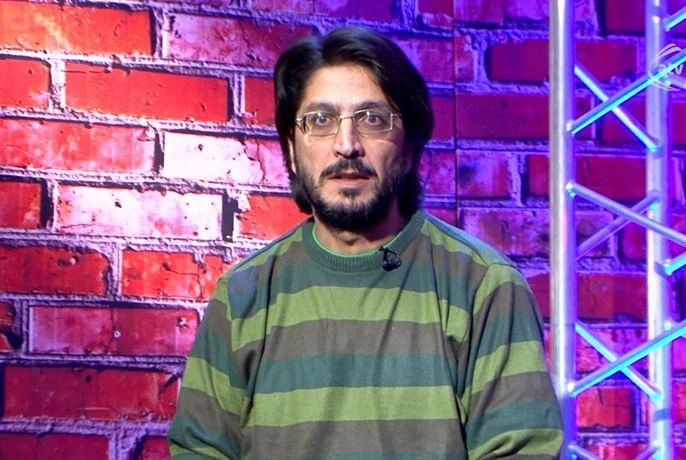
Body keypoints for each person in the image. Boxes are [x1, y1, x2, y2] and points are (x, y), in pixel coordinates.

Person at [168, 26, 563, 459]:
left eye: (372, 119)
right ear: (292, 151)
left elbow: (523, 452)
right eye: (320, 121)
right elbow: (199, 451)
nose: (347, 145)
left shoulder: (484, 287)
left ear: (409, 150)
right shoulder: (243, 294)